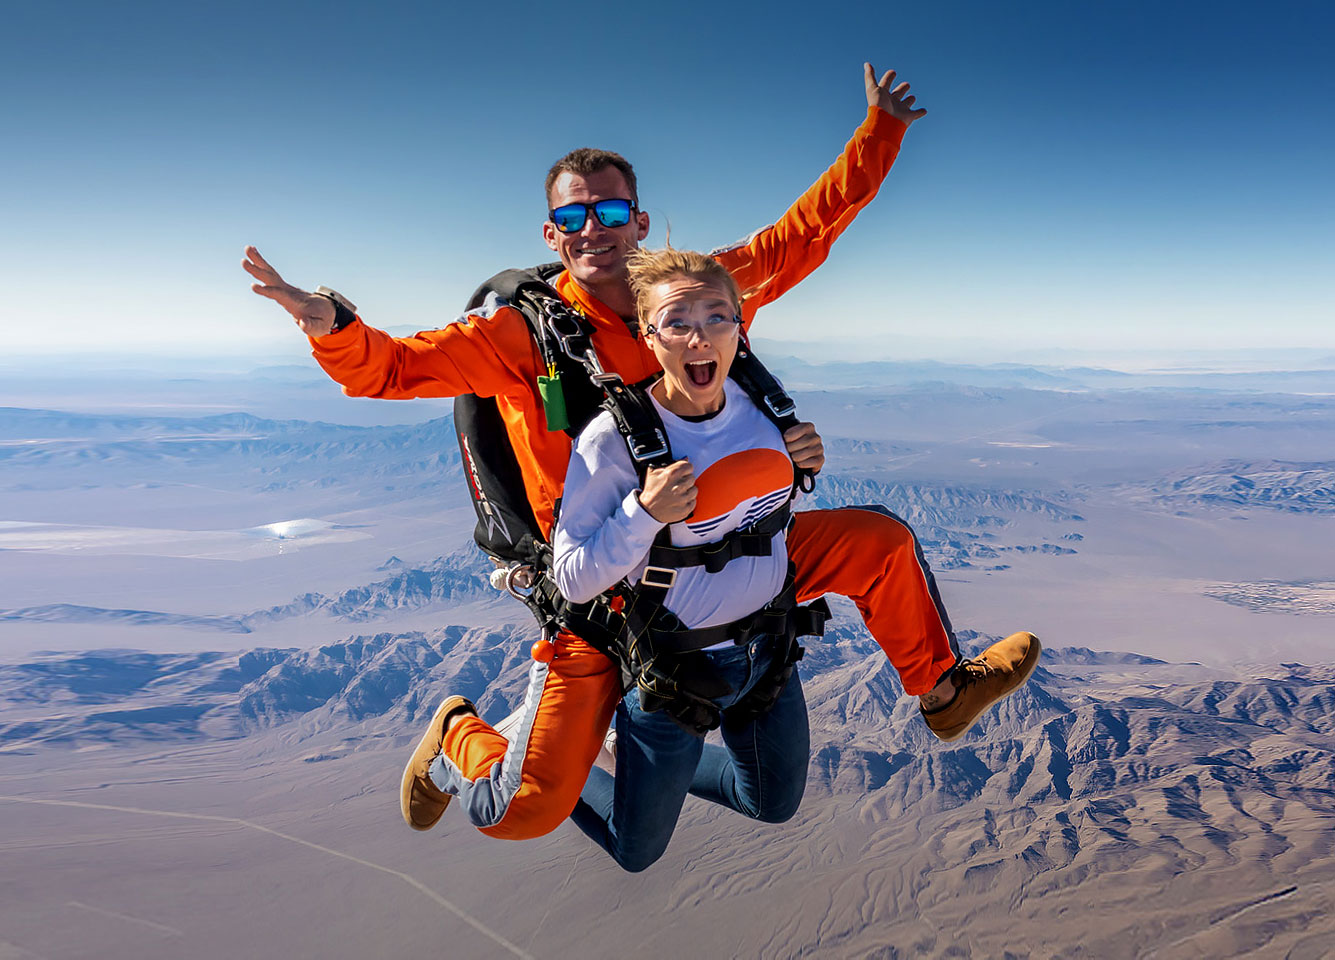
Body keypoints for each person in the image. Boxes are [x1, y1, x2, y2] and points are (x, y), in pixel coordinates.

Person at [244, 63, 1031, 845]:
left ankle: (940, 691)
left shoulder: (700, 293)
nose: (594, 228)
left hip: (721, 542)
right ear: (552, 234)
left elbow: (803, 234)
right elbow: (394, 368)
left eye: (610, 209)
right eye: (574, 216)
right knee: (522, 812)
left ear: (640, 222)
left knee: (877, 543)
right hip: (605, 587)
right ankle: (458, 737)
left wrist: (879, 132)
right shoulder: (524, 334)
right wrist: (325, 320)